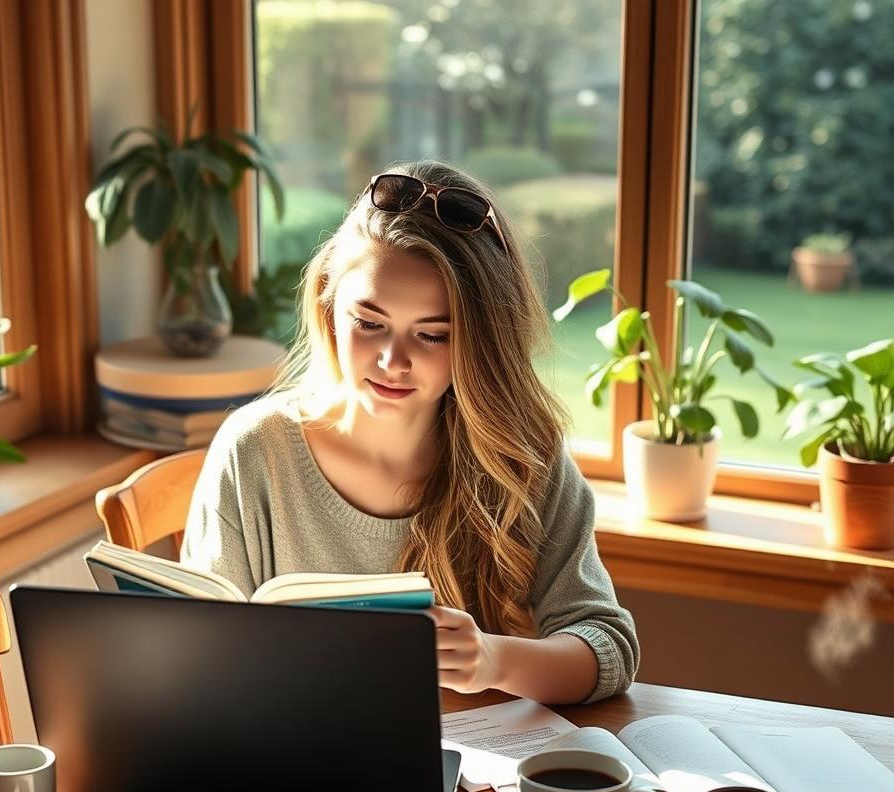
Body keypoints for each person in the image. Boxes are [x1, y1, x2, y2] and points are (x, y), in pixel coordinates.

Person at [182, 160, 638, 704]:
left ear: (480, 343)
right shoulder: (255, 452)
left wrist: (493, 660)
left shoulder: (520, 457)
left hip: (473, 774)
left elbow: (607, 647)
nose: (393, 360)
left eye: (432, 335)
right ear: (329, 307)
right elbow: (202, 658)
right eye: (369, 323)